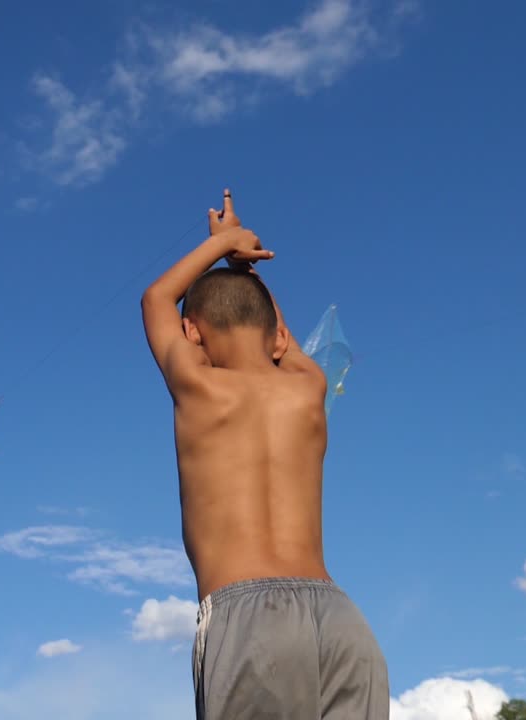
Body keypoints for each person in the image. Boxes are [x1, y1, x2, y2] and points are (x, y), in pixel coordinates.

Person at [140, 189, 389, 719]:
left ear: (191, 332)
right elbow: (278, 338)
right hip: (342, 623)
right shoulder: (307, 382)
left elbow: (156, 299)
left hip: (249, 618)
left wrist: (226, 244)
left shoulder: (200, 387)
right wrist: (241, 261)